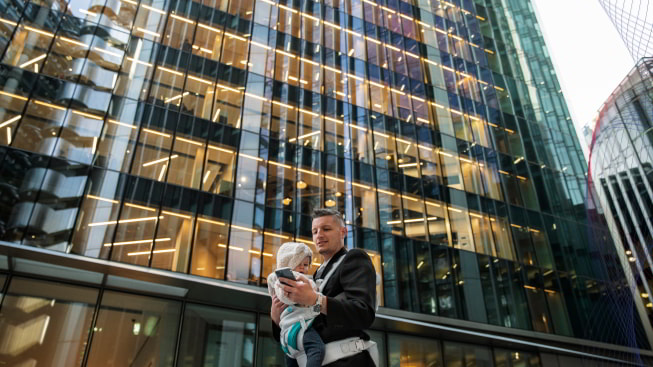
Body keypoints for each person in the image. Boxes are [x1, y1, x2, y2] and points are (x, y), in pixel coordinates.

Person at [270, 208, 377, 366]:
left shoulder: (354, 258)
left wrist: (315, 300)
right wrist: (276, 317)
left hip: (348, 361)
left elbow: (363, 313)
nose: (319, 235)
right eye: (314, 231)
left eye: (326, 229)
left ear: (343, 232)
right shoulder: (313, 276)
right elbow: (291, 335)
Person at [267, 242, 325, 367]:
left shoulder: (276, 280)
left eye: (306, 265)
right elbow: (288, 298)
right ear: (289, 263)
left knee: (292, 360)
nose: (304, 268)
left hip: (288, 333)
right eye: (300, 264)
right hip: (300, 327)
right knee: (317, 350)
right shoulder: (291, 281)